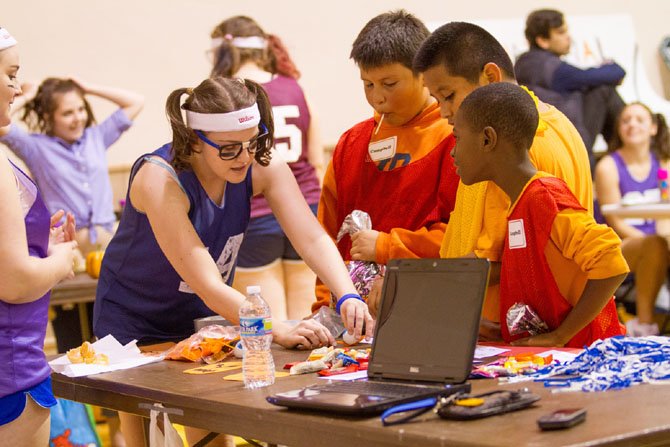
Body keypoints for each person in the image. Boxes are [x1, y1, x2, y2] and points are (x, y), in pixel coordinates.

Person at [92, 76, 371, 447]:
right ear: (194, 140)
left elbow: (311, 236)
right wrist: (275, 327)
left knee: (210, 427)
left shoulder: (258, 164)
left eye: (252, 143)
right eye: (228, 149)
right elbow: (207, 283)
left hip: (201, 314)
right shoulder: (159, 179)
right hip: (134, 319)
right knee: (145, 433)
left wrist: (348, 293)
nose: (243, 157)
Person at [412, 21, 593, 340]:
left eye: (449, 95)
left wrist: (413, 290)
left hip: (506, 336)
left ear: (490, 77)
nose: (442, 111)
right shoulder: (556, 120)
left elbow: (495, 262)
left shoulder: (502, 150)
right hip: (540, 331)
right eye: (436, 100)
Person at [452, 82, 627, 347]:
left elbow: (613, 264)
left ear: (487, 139)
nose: (453, 151)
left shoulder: (544, 196)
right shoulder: (519, 201)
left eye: (457, 137)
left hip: (586, 358)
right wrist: (503, 331)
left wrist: (560, 336)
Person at [312, 10, 460, 312]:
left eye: (389, 84)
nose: (377, 98)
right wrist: (326, 306)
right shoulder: (351, 143)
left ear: (423, 74)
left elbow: (463, 239)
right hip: (352, 317)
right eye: (368, 84)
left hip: (432, 311)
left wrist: (387, 247)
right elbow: (327, 235)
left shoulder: (455, 138)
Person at [0, 75, 143, 353]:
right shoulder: (35, 147)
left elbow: (136, 102)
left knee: (110, 317)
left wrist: (87, 87)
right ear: (48, 116)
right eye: (67, 112)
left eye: (80, 109)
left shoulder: (96, 137)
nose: (77, 118)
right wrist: (28, 97)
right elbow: (1, 126)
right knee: (73, 327)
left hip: (106, 241)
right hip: (67, 244)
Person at [209, 16, 323, 321]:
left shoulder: (227, 96)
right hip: (305, 206)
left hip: (255, 212)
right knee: (304, 318)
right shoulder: (294, 88)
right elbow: (316, 159)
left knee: (269, 324)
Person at [0, 26, 78, 447]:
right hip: (8, 370)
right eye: (10, 74)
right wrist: (60, 260)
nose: (16, 87)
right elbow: (13, 282)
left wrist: (36, 245)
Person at [514, 8, 626, 168]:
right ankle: (630, 160)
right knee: (603, 90)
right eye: (560, 32)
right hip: (570, 148)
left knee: (595, 88)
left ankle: (624, 161)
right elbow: (613, 74)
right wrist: (612, 66)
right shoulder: (549, 69)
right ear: (543, 41)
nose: (568, 37)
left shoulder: (526, 65)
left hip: (556, 146)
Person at [595, 102, 670, 336]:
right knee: (655, 246)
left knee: (659, 243)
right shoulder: (608, 166)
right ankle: (645, 327)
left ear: (653, 128)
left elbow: (665, 211)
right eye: (626, 120)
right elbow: (615, 222)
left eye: (639, 120)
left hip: (655, 238)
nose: (632, 125)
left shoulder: (663, 166)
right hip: (620, 243)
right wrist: (658, 240)